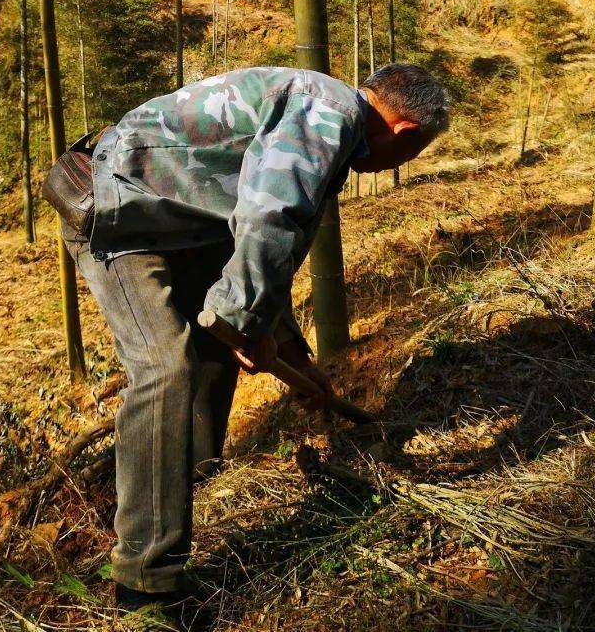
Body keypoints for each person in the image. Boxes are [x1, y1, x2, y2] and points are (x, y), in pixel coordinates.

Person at [60, 64, 450, 629]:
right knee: (165, 369)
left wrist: (289, 350)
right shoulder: (329, 112)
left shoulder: (324, 114)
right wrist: (246, 322)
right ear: (407, 135)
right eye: (408, 155)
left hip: (177, 222)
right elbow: (271, 218)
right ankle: (146, 587)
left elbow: (254, 236)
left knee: (213, 359)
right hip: (116, 214)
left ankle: (191, 485)